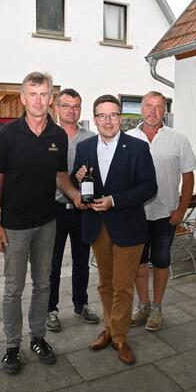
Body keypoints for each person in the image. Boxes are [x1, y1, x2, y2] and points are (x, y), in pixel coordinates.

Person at [0, 72, 83, 375]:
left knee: (43, 284)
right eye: (33, 94)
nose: (39, 100)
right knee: (13, 288)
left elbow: (60, 177)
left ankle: (38, 337)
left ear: (50, 99)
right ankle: (12, 346)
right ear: (23, 98)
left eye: (44, 94)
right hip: (14, 226)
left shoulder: (57, 136)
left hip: (47, 223)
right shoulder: (8, 135)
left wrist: (76, 197)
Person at [73, 94, 157, 365]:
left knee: (123, 286)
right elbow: (79, 177)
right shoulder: (84, 147)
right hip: (97, 227)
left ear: (120, 118)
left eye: (113, 115)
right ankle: (109, 328)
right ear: (95, 119)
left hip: (128, 227)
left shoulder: (137, 147)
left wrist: (114, 200)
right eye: (102, 115)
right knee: (105, 283)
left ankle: (120, 337)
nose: (108, 121)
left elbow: (148, 187)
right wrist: (76, 178)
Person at [126, 91, 196, 331]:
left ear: (165, 111)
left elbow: (188, 178)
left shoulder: (178, 139)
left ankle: (157, 307)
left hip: (165, 214)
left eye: (159, 107)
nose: (153, 111)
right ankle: (143, 304)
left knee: (161, 262)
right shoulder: (127, 138)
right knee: (138, 263)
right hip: (135, 215)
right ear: (141, 108)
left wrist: (181, 209)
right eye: (149, 106)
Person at [46, 88, 99, 332]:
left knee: (81, 261)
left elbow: (98, 172)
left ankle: (81, 303)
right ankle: (51, 309)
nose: (71, 110)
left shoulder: (91, 138)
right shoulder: (47, 135)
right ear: (57, 107)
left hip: (82, 209)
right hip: (53, 209)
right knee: (52, 263)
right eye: (66, 105)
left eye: (76, 106)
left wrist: (84, 176)